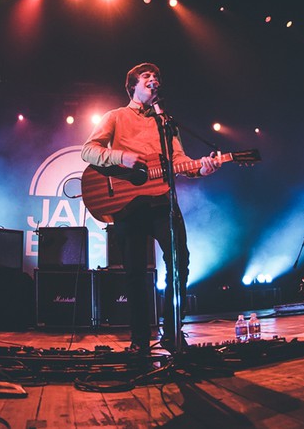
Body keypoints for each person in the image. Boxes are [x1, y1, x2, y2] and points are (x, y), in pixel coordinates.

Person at [80, 62, 221, 354]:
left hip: (163, 202)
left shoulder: (166, 122)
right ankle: (140, 340)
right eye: (147, 76)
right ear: (133, 85)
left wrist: (202, 169)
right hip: (127, 206)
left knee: (179, 263)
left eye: (156, 76)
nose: (154, 79)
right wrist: (120, 157)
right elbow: (88, 150)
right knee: (134, 273)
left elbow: (180, 160)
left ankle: (172, 333)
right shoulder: (115, 116)